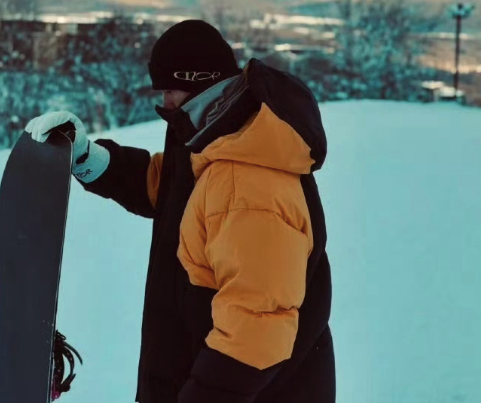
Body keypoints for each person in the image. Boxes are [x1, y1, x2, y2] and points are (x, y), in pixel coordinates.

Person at [25, 20, 335, 403]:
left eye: (169, 90)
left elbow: (255, 328)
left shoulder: (248, 183)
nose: (165, 103)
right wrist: (89, 158)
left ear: (198, 80)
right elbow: (172, 191)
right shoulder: (222, 138)